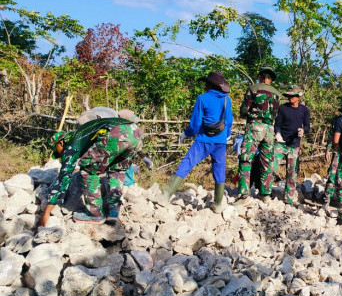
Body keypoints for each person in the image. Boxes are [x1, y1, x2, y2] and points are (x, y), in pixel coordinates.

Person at [39, 109, 143, 226]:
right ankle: (113, 210)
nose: (60, 155)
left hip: (117, 133)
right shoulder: (83, 136)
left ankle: (95, 214)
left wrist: (46, 213)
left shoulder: (72, 142)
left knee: (88, 169)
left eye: (58, 152)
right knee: (117, 170)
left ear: (60, 142)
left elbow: (63, 178)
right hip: (136, 132)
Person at [159, 71, 233, 213]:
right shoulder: (226, 99)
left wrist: (185, 134)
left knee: (187, 163)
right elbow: (229, 120)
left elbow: (195, 123)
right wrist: (227, 134)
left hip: (204, 140)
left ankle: (165, 195)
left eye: (206, 83)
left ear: (210, 84)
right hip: (220, 141)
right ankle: (218, 204)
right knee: (219, 169)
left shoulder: (202, 98)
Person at [237, 65, 280, 204]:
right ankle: (265, 194)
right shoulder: (277, 93)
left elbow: (244, 109)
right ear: (271, 79)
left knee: (246, 158)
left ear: (260, 76)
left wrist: (245, 113)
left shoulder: (253, 88)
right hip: (269, 129)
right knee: (267, 162)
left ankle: (244, 194)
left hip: (255, 126)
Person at [274, 84, 310, 205]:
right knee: (270, 165)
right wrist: (277, 133)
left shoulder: (304, 110)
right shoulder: (283, 108)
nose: (290, 98)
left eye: (292, 96)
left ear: (298, 97)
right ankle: (265, 193)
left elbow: (307, 125)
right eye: (288, 96)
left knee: (292, 172)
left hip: (294, 144)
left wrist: (303, 131)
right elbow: (277, 124)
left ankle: (288, 199)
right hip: (281, 143)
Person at [320, 111, 341, 216]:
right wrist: (328, 149)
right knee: (332, 176)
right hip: (338, 153)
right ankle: (327, 200)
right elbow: (331, 136)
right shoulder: (337, 121)